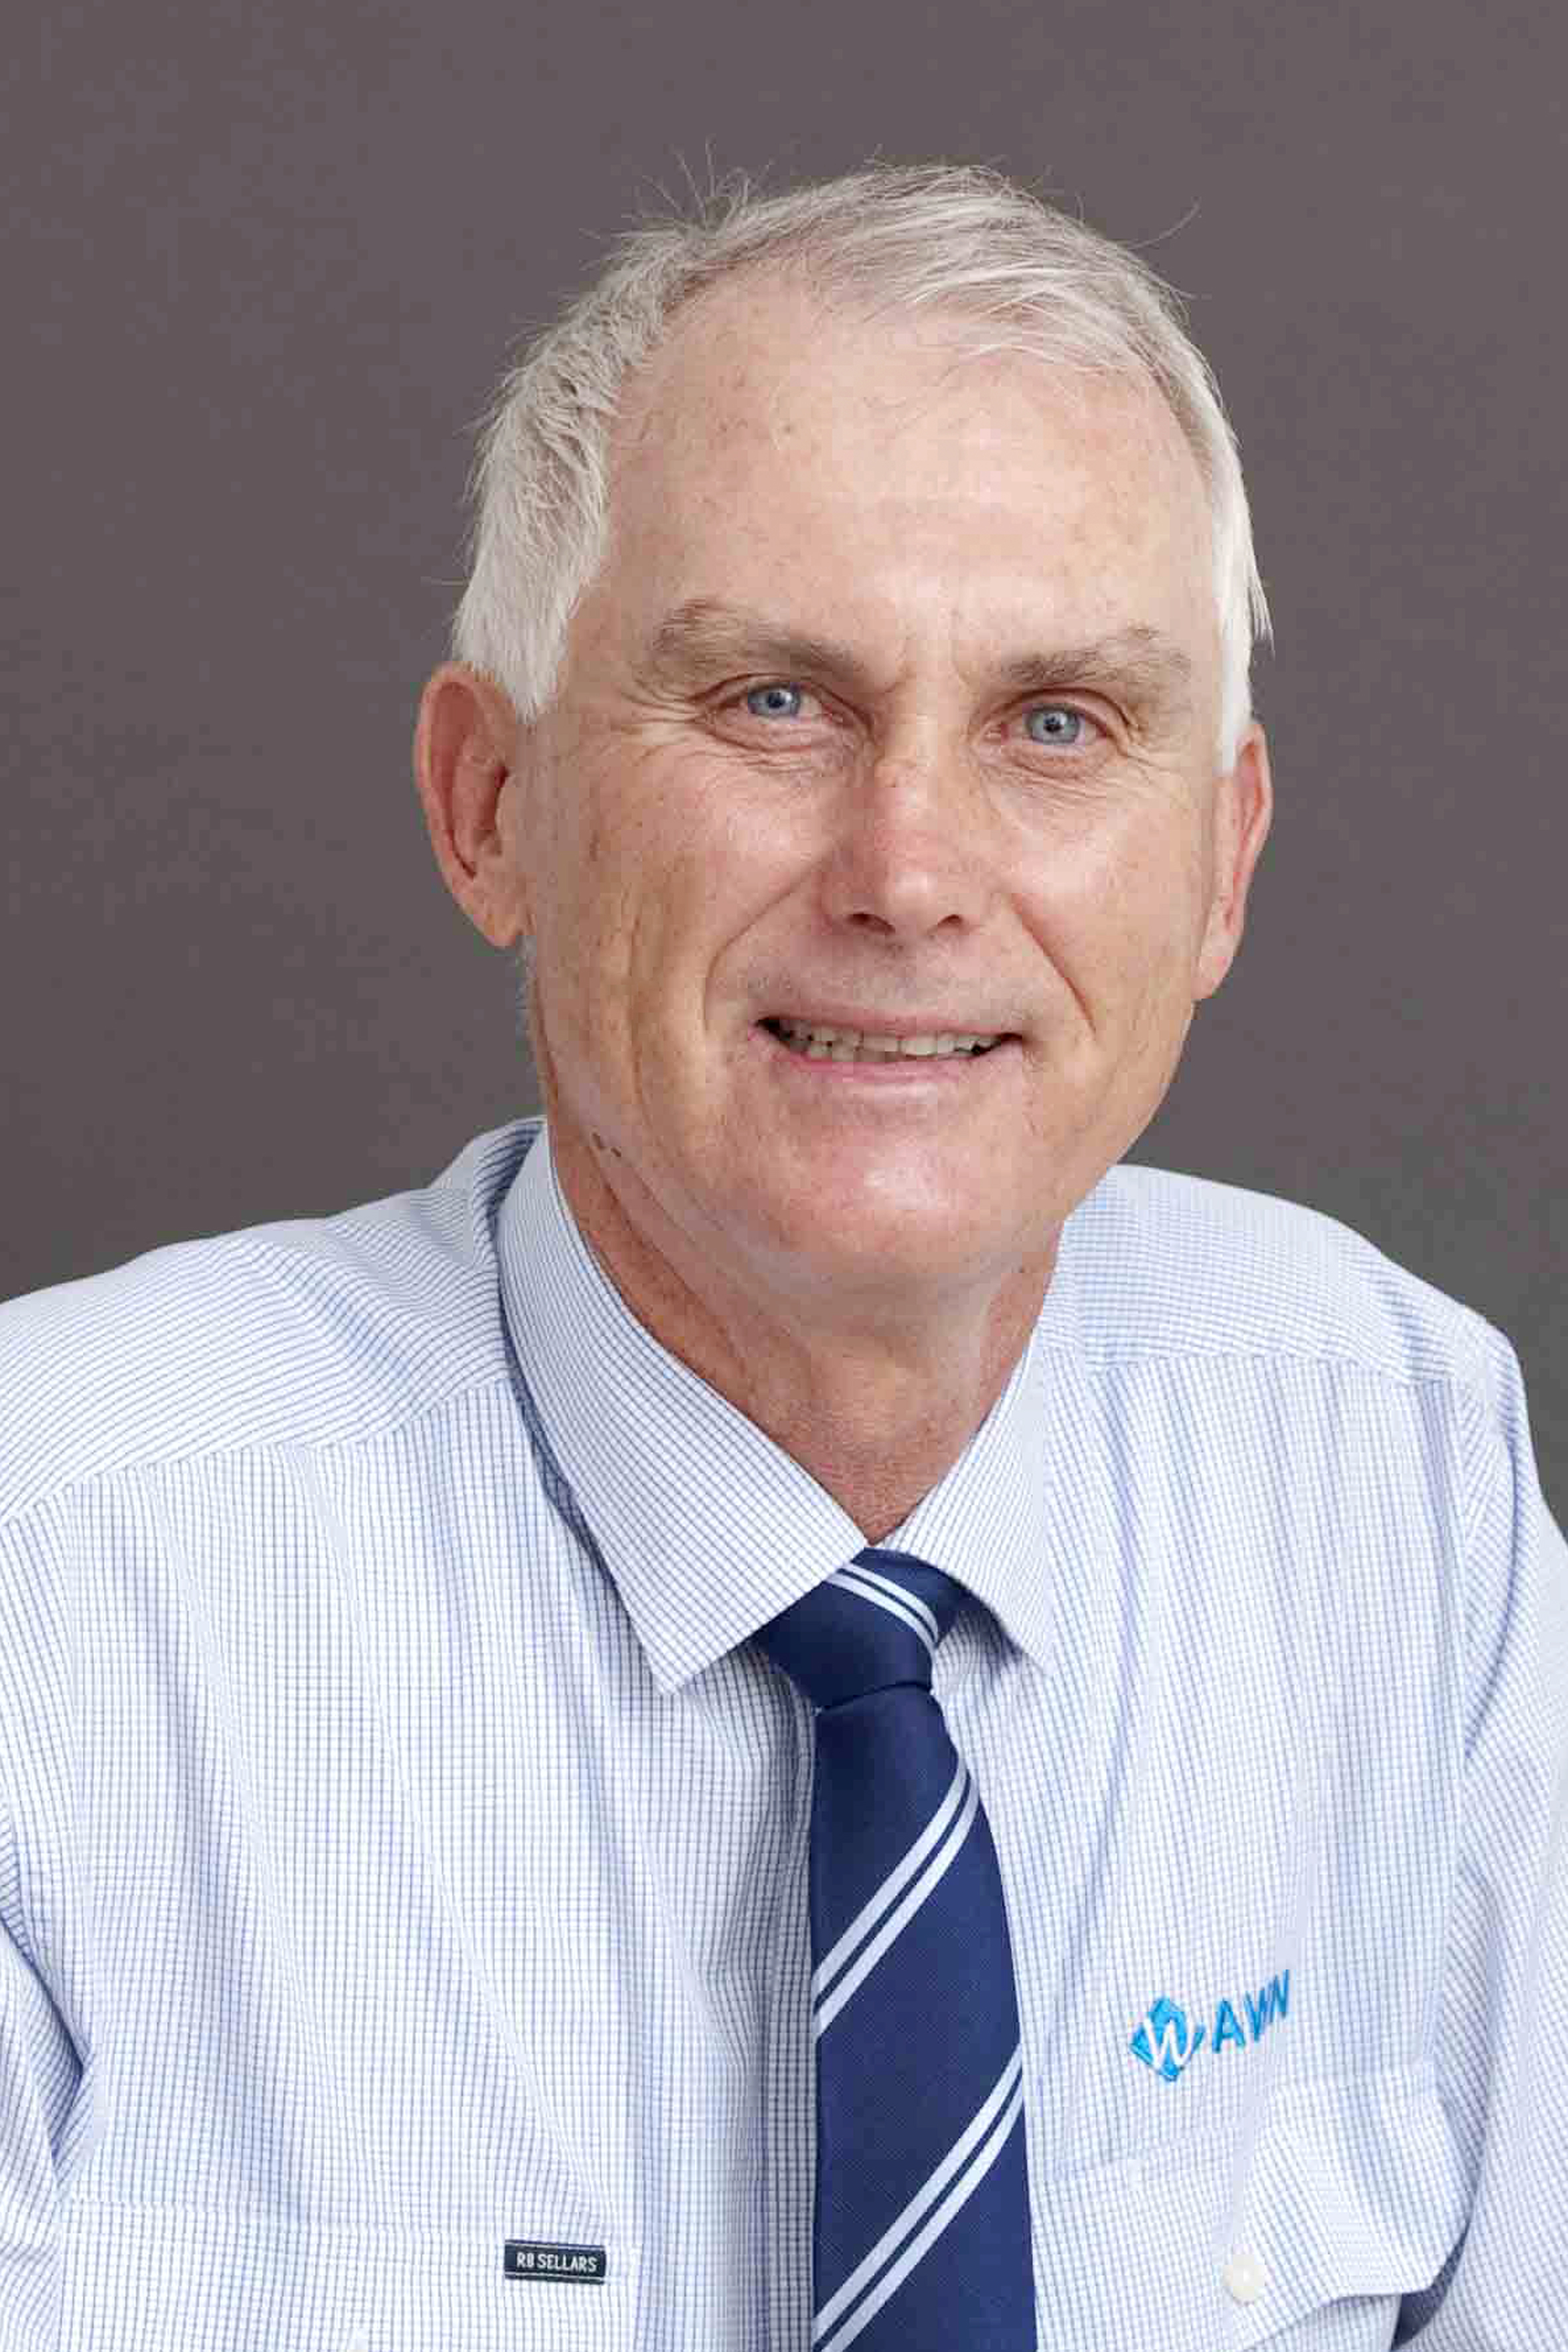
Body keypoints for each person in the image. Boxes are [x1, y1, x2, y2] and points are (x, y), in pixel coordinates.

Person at [1, 161, 1562, 2352]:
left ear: (1218, 868)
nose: (909, 871)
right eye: (769, 703)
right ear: (490, 808)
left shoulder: (1391, 1470)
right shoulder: (56, 1586)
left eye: (1056, 724)